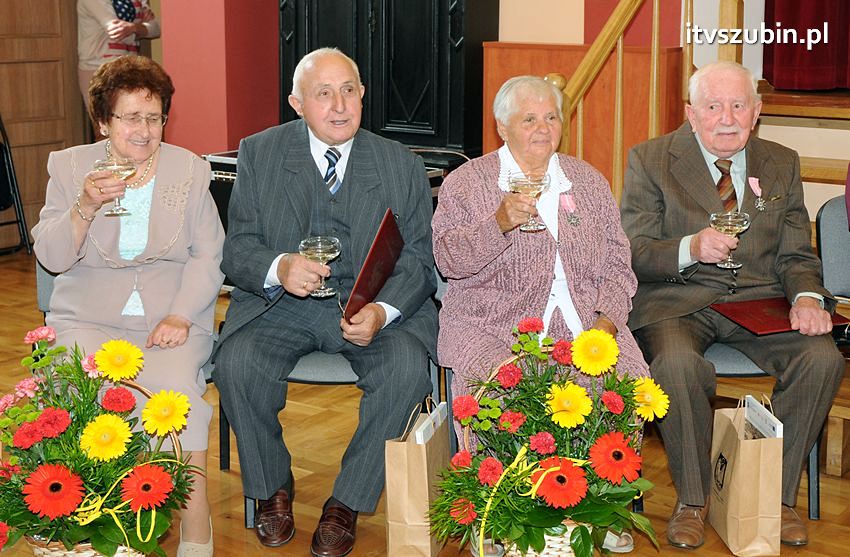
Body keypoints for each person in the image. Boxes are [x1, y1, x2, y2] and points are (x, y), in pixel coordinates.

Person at [212, 47, 438, 556]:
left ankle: (347, 502)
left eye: (349, 90)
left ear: (363, 95)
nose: (339, 106)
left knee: (406, 371)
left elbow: (420, 261)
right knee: (238, 363)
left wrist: (381, 312)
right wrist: (280, 268)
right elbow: (239, 248)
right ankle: (272, 488)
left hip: (372, 305)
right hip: (282, 306)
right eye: (323, 93)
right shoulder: (261, 152)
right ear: (296, 102)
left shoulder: (401, 164)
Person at [620, 60, 844, 549]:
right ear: (691, 112)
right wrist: (689, 248)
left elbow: (796, 254)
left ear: (757, 111)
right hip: (677, 300)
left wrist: (806, 296)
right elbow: (633, 250)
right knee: (677, 365)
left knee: (822, 357)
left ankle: (773, 498)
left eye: (738, 106)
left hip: (759, 299)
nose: (726, 118)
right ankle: (694, 500)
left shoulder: (781, 161)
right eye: (713, 106)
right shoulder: (650, 159)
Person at [432, 75, 649, 553]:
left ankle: (599, 509)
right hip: (491, 323)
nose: (543, 128)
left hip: (584, 322)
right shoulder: (466, 184)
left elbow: (618, 263)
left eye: (551, 117)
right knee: (499, 386)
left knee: (629, 381)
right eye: (529, 118)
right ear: (502, 126)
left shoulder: (586, 181)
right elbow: (448, 260)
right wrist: (499, 223)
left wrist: (605, 326)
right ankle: (498, 518)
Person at [32, 55, 222, 557]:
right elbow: (50, 258)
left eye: (154, 117)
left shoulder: (190, 169)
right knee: (77, 387)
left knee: (176, 395)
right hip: (87, 317)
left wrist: (182, 313)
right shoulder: (69, 167)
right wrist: (85, 207)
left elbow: (209, 255)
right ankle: (90, 526)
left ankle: (194, 520)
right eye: (130, 117)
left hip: (172, 318)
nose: (144, 129)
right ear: (103, 121)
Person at [77, 0, 160, 108]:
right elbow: (116, 30)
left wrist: (133, 28)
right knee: (106, 120)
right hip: (98, 68)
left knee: (131, 118)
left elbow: (155, 29)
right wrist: (140, 27)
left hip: (131, 68)